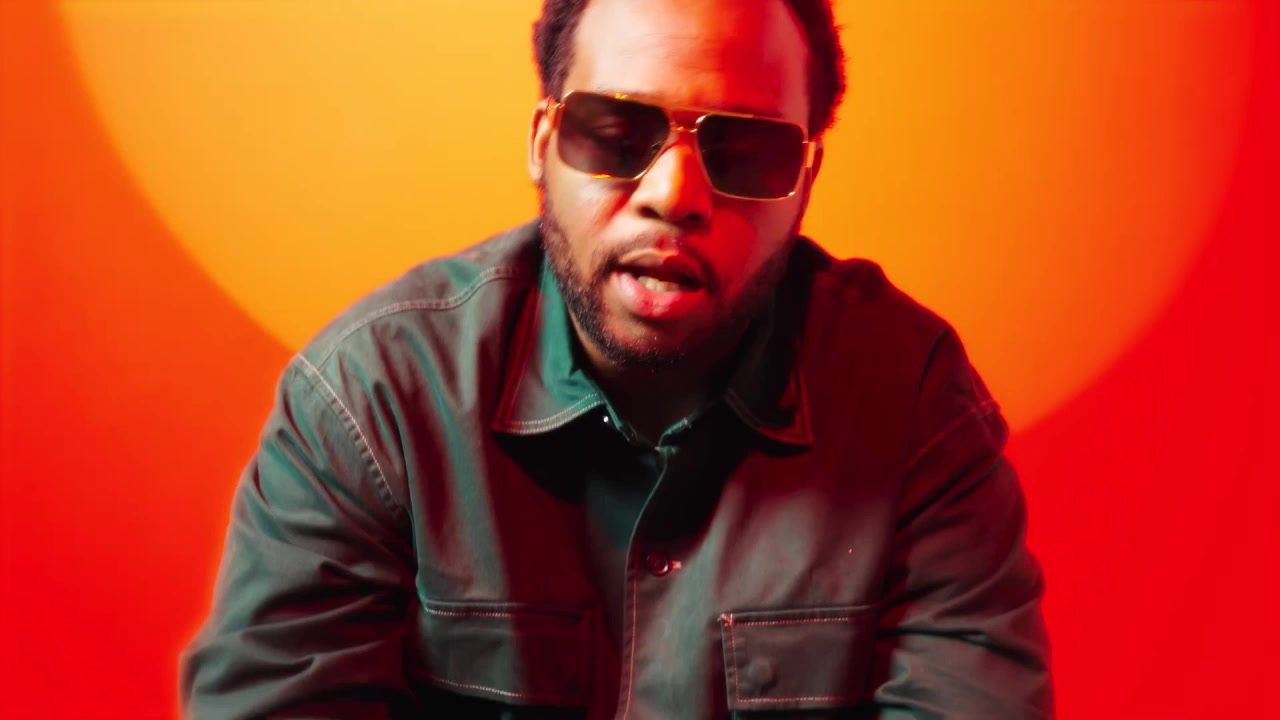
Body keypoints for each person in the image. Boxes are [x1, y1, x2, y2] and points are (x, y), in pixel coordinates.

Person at [180, 0, 1054, 717]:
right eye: (617, 131)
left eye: (745, 150)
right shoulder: (372, 403)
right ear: (542, 144)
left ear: (806, 183)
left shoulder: (912, 407)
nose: (675, 195)